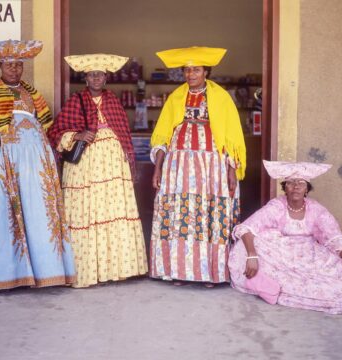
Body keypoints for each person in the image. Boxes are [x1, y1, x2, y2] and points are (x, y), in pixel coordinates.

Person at [0, 39, 76, 292]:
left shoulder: (33, 93)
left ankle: (46, 271)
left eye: (19, 66)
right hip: (1, 158)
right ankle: (8, 275)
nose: (14, 70)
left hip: (34, 159)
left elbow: (45, 126)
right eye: (9, 65)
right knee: (2, 211)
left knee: (38, 209)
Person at [47, 53, 148, 288]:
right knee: (87, 210)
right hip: (85, 167)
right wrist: (78, 135)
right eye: (92, 74)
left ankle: (117, 269)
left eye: (100, 74)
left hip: (113, 165)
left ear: (105, 78)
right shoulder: (75, 101)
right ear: (85, 78)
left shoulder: (113, 101)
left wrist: (127, 159)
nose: (96, 78)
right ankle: (87, 271)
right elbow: (55, 133)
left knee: (111, 209)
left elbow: (123, 133)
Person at [149, 46, 246, 286]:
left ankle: (211, 273)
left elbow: (231, 140)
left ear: (206, 72)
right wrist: (158, 168)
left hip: (212, 167)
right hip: (178, 167)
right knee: (179, 213)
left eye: (196, 69)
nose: (191, 74)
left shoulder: (221, 97)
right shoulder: (175, 97)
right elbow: (162, 136)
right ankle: (179, 271)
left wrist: (232, 171)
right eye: (187, 70)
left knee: (210, 213)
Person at [228, 160, 342, 314]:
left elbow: (334, 237)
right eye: (290, 183)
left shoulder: (316, 209)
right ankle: (268, 284)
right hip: (280, 254)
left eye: (301, 183)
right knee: (246, 245)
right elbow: (248, 227)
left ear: (306, 189)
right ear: (285, 189)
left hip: (308, 255)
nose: (296, 186)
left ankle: (277, 285)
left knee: (331, 280)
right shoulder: (277, 206)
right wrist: (252, 256)